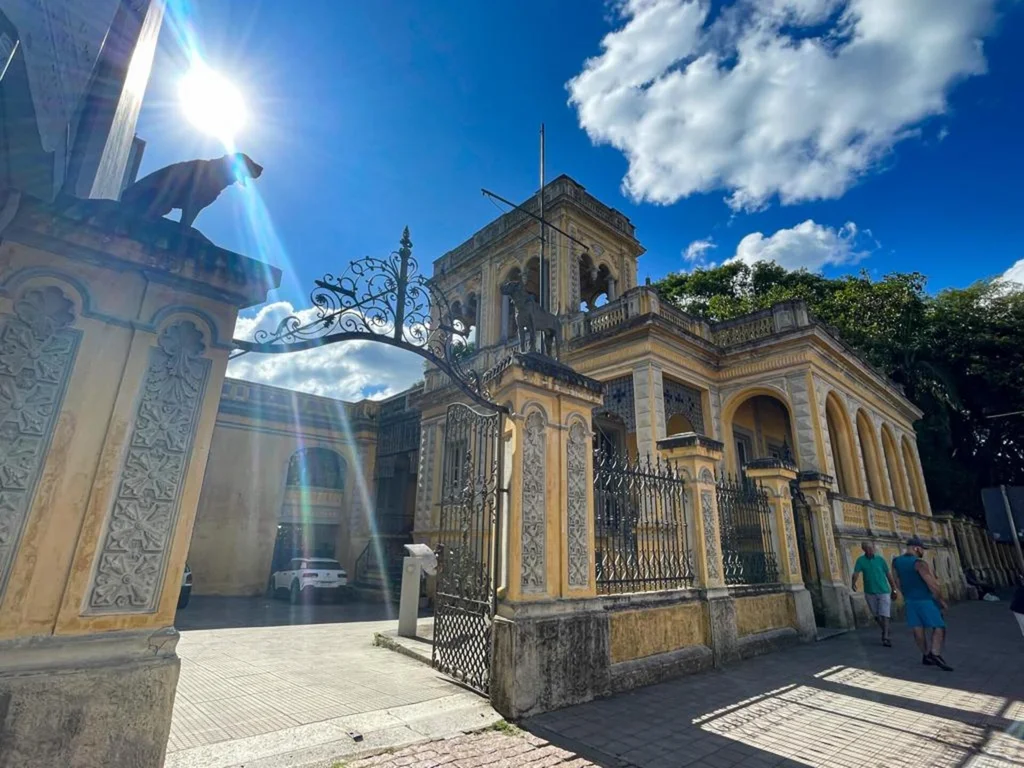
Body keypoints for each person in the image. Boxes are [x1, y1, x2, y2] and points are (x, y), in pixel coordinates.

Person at [891, 537, 952, 671]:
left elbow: (897, 581)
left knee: (917, 629)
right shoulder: (919, 563)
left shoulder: (896, 562)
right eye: (922, 549)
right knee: (939, 626)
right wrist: (941, 600)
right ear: (916, 548)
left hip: (909, 600)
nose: (922, 552)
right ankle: (935, 653)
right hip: (925, 599)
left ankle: (925, 655)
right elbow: (932, 584)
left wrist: (905, 593)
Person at [852, 541, 897, 646]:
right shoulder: (861, 560)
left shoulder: (880, 560)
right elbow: (856, 573)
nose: (870, 550)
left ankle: (885, 636)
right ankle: (884, 629)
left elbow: (888, 574)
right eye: (867, 548)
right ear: (864, 550)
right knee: (876, 615)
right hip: (870, 591)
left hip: (884, 590)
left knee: (885, 613)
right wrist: (853, 583)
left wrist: (894, 589)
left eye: (871, 548)